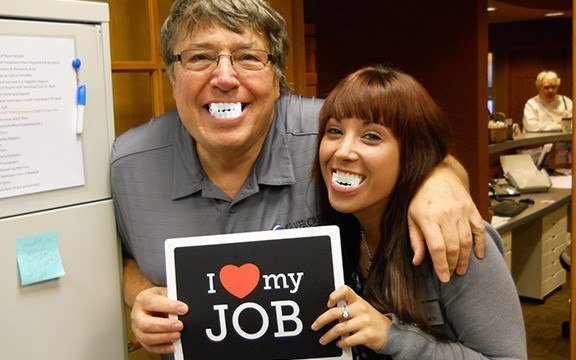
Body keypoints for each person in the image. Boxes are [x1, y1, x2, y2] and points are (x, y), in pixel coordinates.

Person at [110, 0, 486, 356]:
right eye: (199, 57)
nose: (224, 77)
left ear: (277, 79)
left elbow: (412, 155)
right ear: (173, 76)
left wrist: (440, 180)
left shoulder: (329, 136)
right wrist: (139, 295)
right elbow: (123, 255)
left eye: (248, 57)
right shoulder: (129, 165)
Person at [311, 66, 526, 359]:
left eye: (371, 136)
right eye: (334, 131)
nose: (343, 151)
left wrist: (392, 337)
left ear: (412, 154)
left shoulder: (455, 238)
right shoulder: (340, 232)